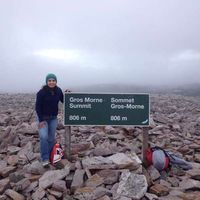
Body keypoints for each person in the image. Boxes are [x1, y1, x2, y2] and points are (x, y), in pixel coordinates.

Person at [35, 73, 64, 167]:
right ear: (47, 82)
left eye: (53, 80)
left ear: (56, 81)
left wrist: (68, 93)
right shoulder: (41, 92)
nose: (51, 82)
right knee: (44, 137)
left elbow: (63, 100)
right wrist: (41, 120)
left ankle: (51, 157)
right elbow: (37, 107)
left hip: (53, 118)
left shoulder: (58, 90)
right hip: (42, 118)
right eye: (49, 81)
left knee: (51, 138)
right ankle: (45, 159)